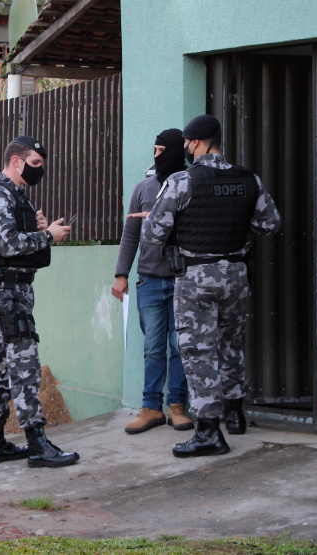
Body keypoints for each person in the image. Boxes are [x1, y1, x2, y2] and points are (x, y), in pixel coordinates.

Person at [140, 115, 281, 457]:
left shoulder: (182, 181)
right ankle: (235, 413)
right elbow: (270, 224)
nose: (185, 149)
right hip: (235, 275)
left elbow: (152, 234)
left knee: (198, 352)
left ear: (196, 143)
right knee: (230, 344)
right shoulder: (247, 179)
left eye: (187, 143)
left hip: (196, 279)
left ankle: (208, 431)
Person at [0, 135, 80, 468]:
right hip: (6, 293)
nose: (39, 170)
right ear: (16, 161)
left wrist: (42, 231)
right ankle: (37, 445)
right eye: (34, 164)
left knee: (2, 368)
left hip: (14, 290)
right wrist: (47, 235)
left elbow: (24, 245)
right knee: (25, 368)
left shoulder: (17, 198)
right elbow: (6, 245)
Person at [112, 129, 193, 435]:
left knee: (179, 345)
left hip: (182, 281)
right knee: (153, 347)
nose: (157, 156)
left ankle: (177, 406)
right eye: (154, 150)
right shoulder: (144, 187)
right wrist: (121, 274)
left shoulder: (189, 186)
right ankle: (150, 408)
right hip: (148, 282)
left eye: (162, 150)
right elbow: (130, 234)